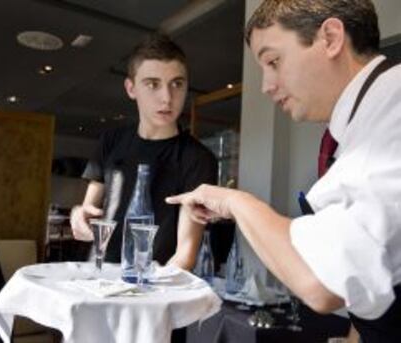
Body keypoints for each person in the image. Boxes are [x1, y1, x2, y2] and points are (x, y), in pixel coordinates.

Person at [166, 1, 401, 342]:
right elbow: (381, 262)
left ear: (331, 38)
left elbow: (321, 283)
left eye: (274, 61)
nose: (266, 85)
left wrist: (236, 203)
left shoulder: (393, 108)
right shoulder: (365, 120)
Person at [70, 33, 217, 271]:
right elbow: (88, 209)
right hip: (98, 275)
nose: (167, 98)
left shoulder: (199, 159)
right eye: (153, 84)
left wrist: (147, 297)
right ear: (131, 88)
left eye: (177, 84)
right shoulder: (110, 140)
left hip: (152, 288)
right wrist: (79, 216)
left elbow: (185, 256)